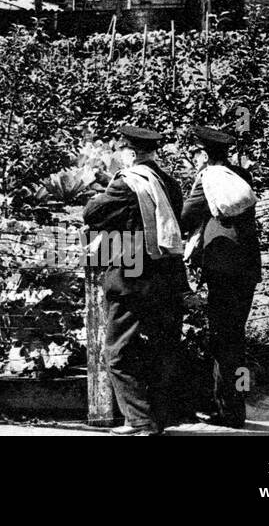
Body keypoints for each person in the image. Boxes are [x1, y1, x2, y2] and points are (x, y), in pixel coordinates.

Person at [82, 125, 186, 435]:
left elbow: (92, 213)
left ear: (130, 153)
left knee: (118, 351)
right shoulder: (169, 183)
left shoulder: (127, 185)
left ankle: (141, 422)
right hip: (167, 275)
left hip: (132, 275)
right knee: (161, 347)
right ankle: (156, 417)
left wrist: (98, 186)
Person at [182, 126, 261, 429]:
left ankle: (229, 412)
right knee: (236, 337)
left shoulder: (208, 180)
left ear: (203, 153)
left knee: (224, 339)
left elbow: (185, 217)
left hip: (223, 267)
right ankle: (236, 406)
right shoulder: (241, 176)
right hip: (247, 266)